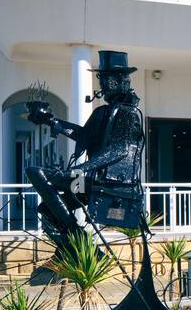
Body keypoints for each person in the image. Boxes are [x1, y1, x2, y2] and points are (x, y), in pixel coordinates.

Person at [25, 50, 145, 248]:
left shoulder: (128, 113)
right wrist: (51, 121)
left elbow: (120, 149)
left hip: (111, 185)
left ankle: (79, 239)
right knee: (47, 208)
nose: (102, 85)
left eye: (105, 80)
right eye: (101, 80)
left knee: (35, 172)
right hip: (89, 184)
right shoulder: (102, 112)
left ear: (118, 81)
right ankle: (74, 248)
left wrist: (81, 169)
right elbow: (84, 136)